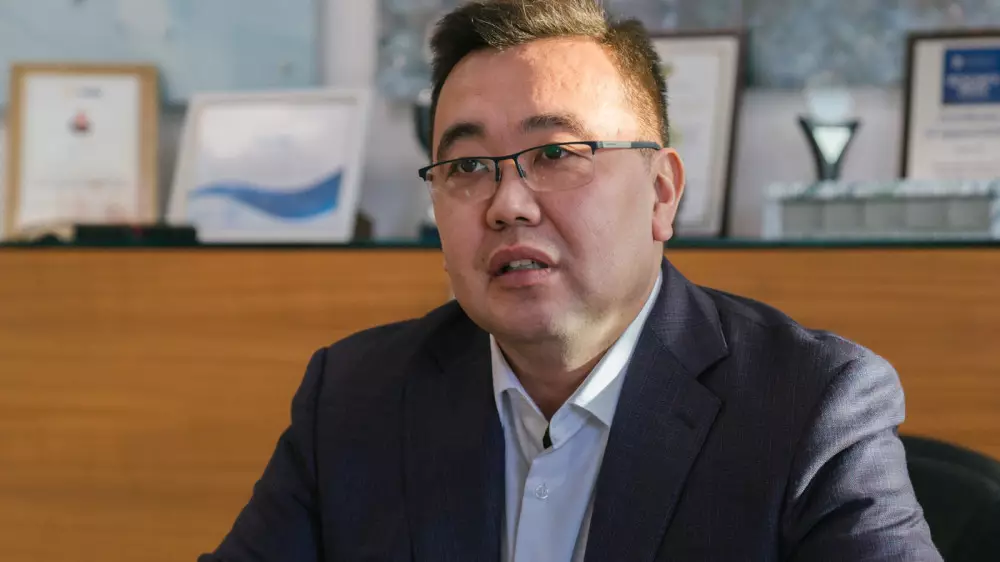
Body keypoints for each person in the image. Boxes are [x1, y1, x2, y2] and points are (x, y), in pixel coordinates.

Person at [200, 1, 942, 560]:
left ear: (661, 193)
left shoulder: (811, 406)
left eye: (555, 155)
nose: (507, 205)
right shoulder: (353, 398)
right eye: (467, 166)